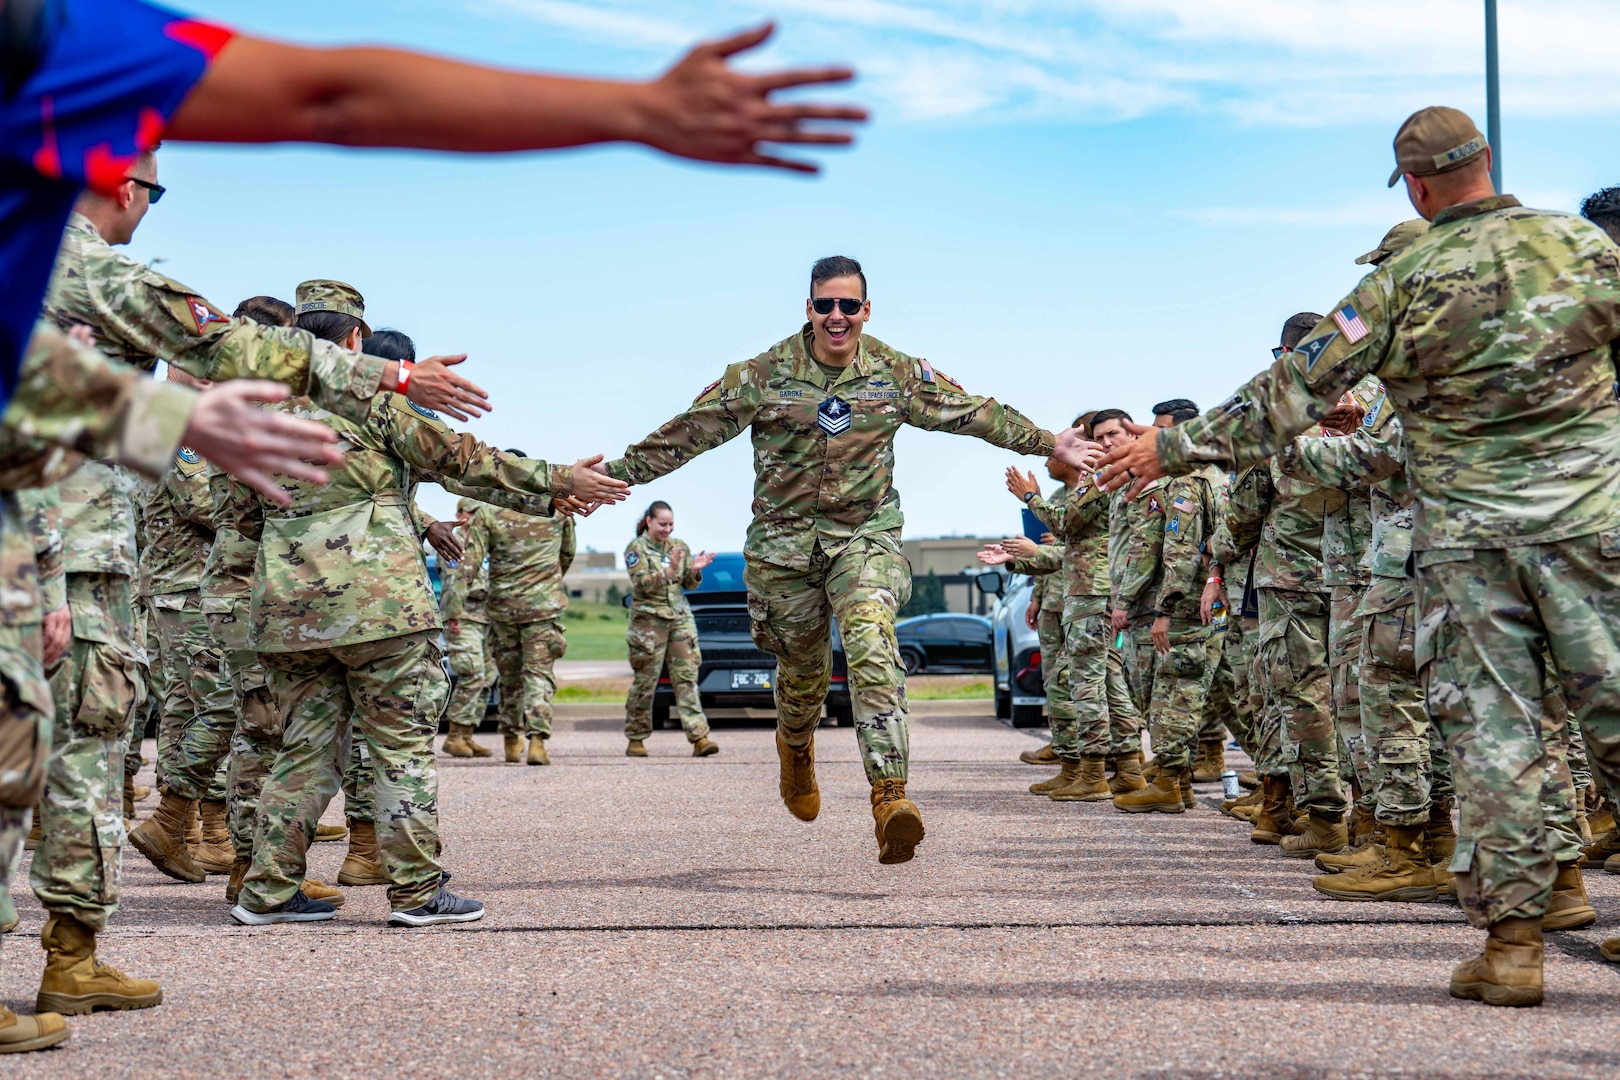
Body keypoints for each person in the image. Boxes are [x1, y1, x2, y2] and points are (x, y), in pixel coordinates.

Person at [1089, 106, 1620, 1005]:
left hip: (1470, 545)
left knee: (1496, 736)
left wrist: (1166, 449)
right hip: (1592, 524)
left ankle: (1515, 951)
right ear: (1486, 163)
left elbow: (1285, 394)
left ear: (1415, 186)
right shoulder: (1586, 250)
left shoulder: (1398, 282)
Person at [597, 256, 1063, 864]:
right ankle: (795, 747)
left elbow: (976, 413)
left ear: (866, 310)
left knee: (871, 639)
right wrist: (610, 477)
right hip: (784, 552)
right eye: (825, 305)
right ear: (809, 309)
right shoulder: (762, 374)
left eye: (849, 305)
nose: (837, 316)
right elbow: (689, 432)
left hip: (864, 539)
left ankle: (890, 796)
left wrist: (1053, 443)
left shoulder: (896, 373)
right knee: (804, 680)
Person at [230, 280, 623, 927]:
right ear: (356, 340)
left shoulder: (259, 417)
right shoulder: (369, 402)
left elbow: (238, 516)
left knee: (304, 748)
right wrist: (557, 485)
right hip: (379, 607)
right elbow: (463, 460)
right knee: (399, 747)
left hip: (290, 613)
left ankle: (266, 890)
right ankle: (415, 893)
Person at [1105, 400, 1225, 814]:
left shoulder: (1185, 481)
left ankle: (1171, 784)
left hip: (1186, 608)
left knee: (1174, 695)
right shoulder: (1214, 475)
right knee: (1188, 694)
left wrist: (1164, 610)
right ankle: (1180, 781)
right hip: (1203, 604)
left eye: (1160, 430)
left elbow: (1180, 550)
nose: (1150, 437)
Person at [458, 468, 577, 766]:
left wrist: (455, 604)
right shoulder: (557, 510)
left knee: (509, 677)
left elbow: (472, 562)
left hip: (503, 608)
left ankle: (512, 740)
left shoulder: (489, 513)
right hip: (543, 607)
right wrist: (547, 582)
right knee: (537, 674)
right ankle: (536, 741)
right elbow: (567, 554)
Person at [622, 501, 719, 757]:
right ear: (649, 522)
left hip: (679, 619)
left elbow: (689, 583)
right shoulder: (636, 549)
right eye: (662, 524)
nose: (667, 529)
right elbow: (642, 584)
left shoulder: (679, 547)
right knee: (645, 682)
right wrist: (671, 570)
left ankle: (700, 738)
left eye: (671, 524)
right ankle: (636, 738)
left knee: (686, 679)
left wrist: (694, 571)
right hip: (649, 622)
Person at [440, 497, 497, 759]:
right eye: (473, 514)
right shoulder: (454, 543)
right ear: (460, 514)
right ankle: (454, 735)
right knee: (472, 673)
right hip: (462, 618)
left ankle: (468, 734)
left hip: (485, 619)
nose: (477, 519)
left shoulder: (485, 544)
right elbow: (457, 581)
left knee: (487, 678)